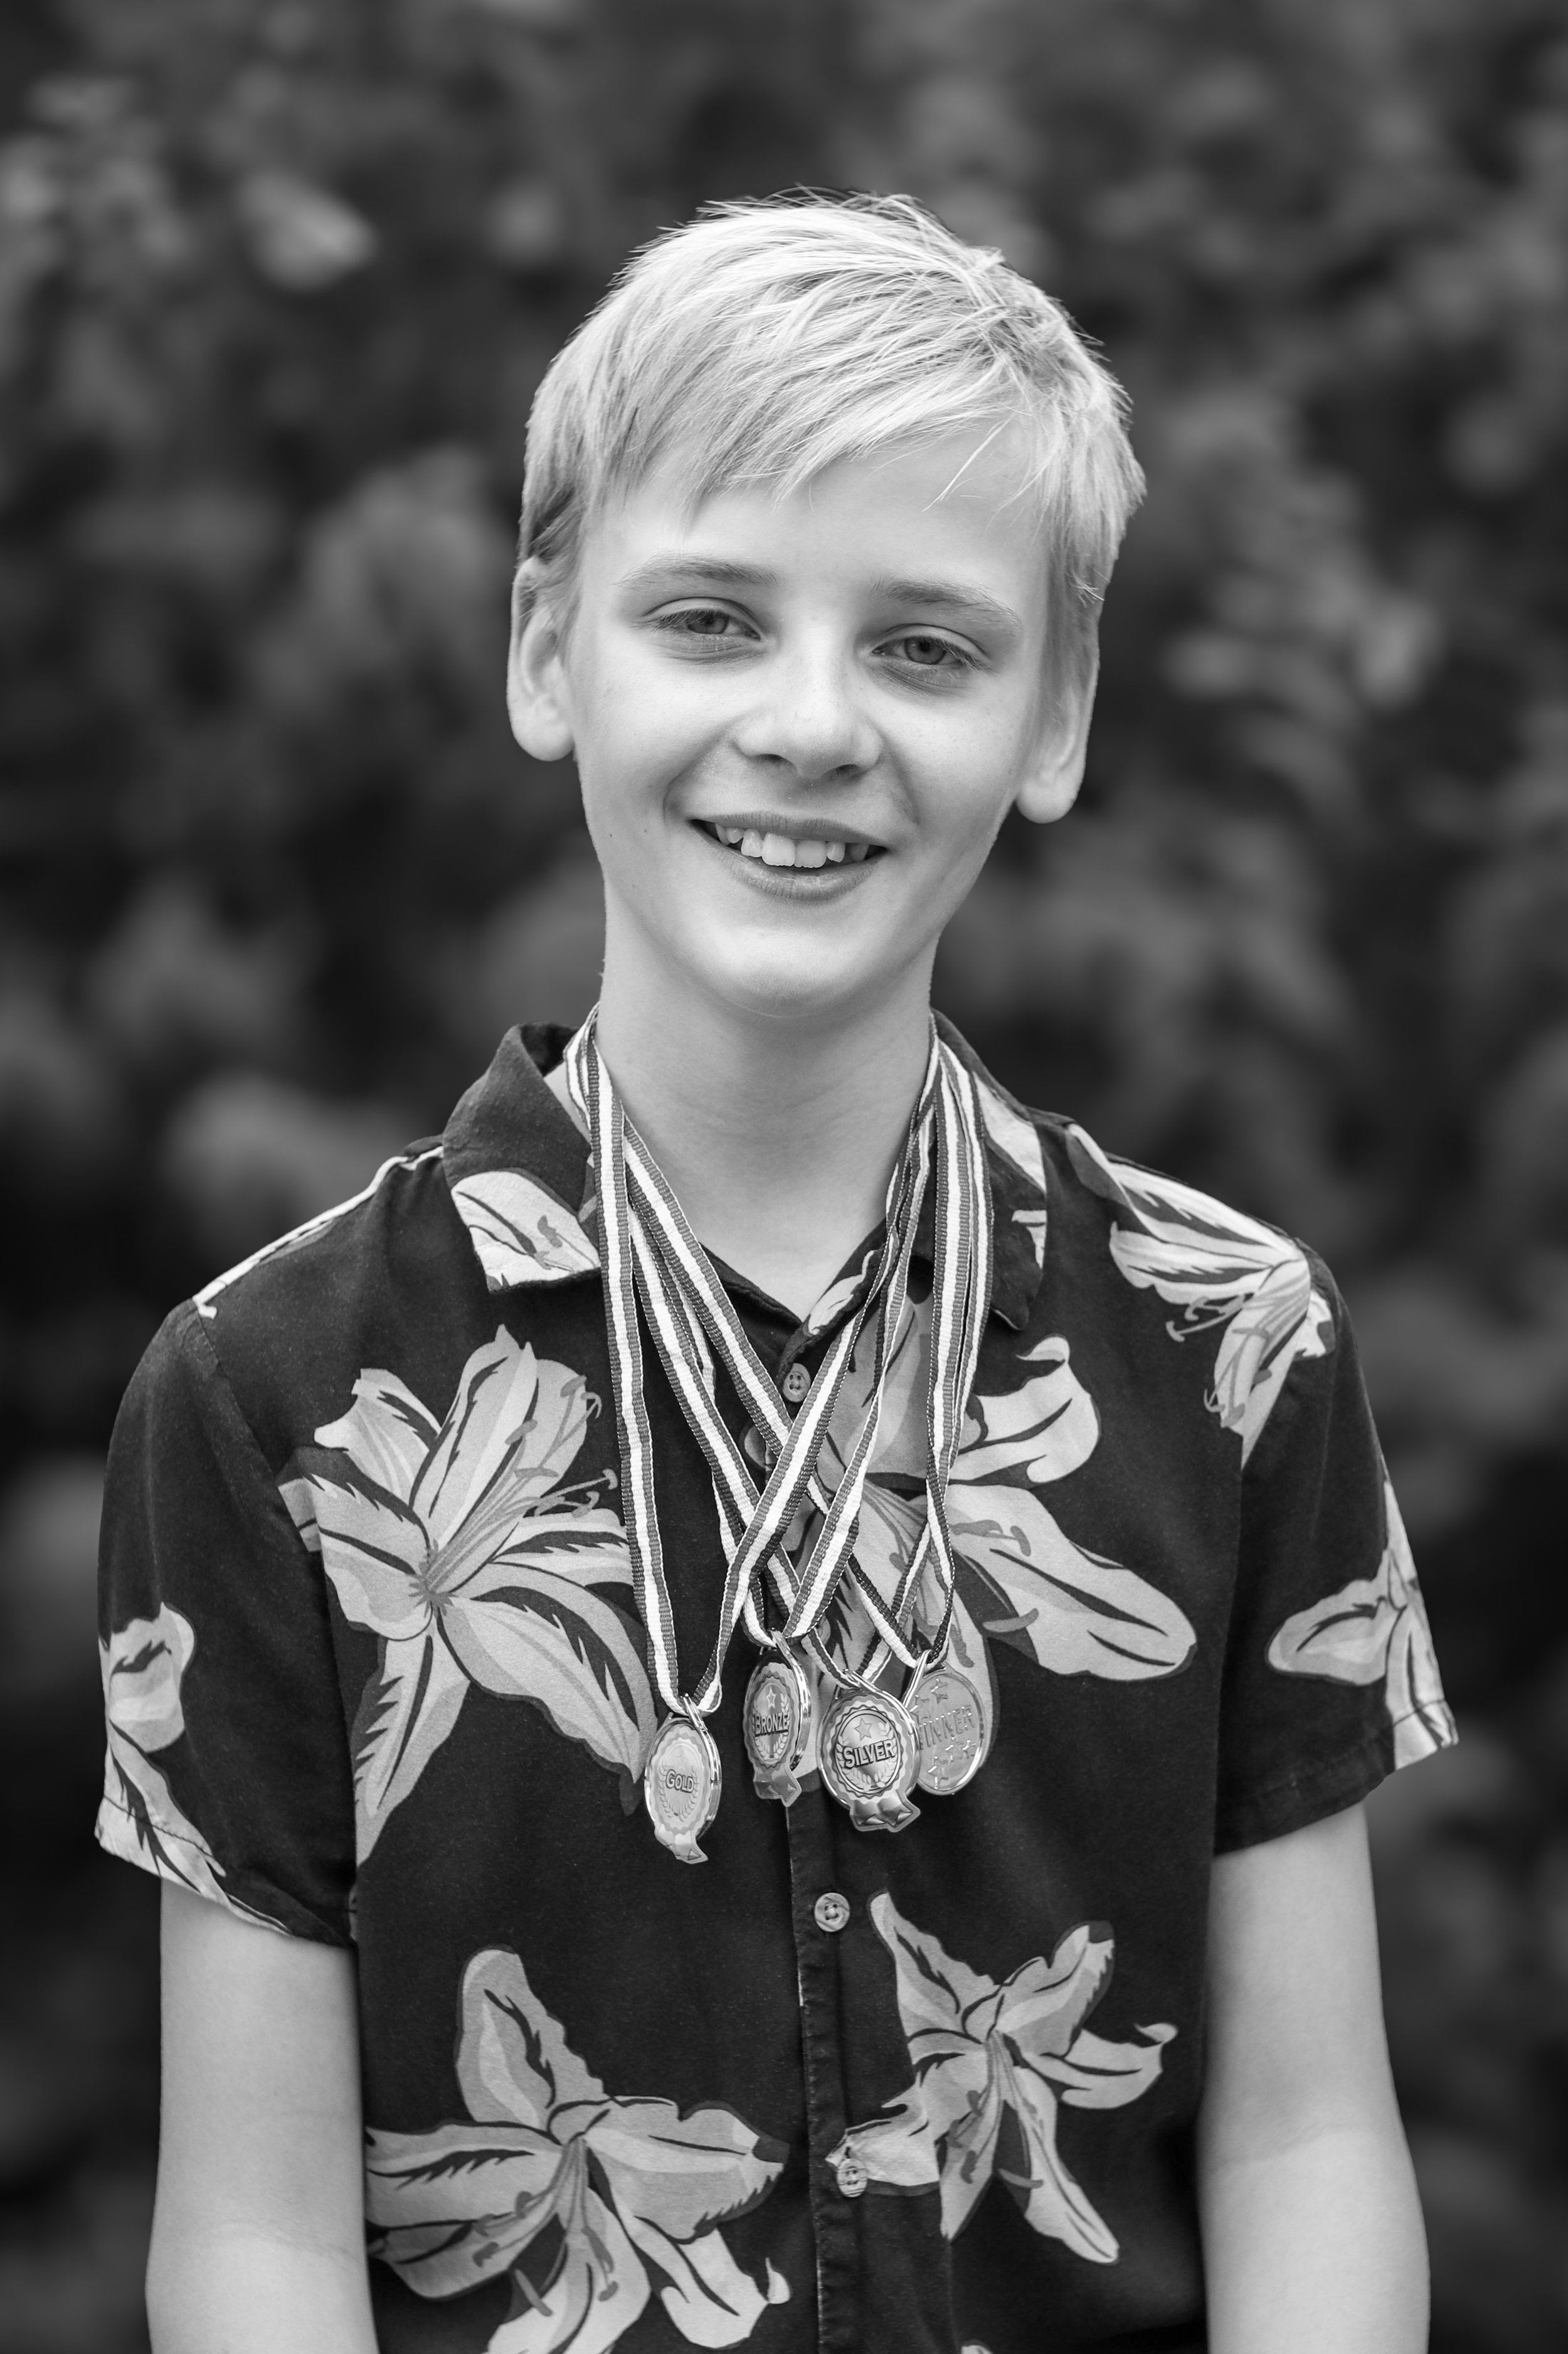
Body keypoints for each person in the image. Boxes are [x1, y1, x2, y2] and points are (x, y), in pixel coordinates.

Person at [97, 192, 1455, 2354]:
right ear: (549, 651)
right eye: (710, 620)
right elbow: (255, 2237)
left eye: (924, 646)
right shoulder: (270, 1398)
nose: (811, 724)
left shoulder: (1231, 1353)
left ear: (1057, 714)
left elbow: (1300, 2141)